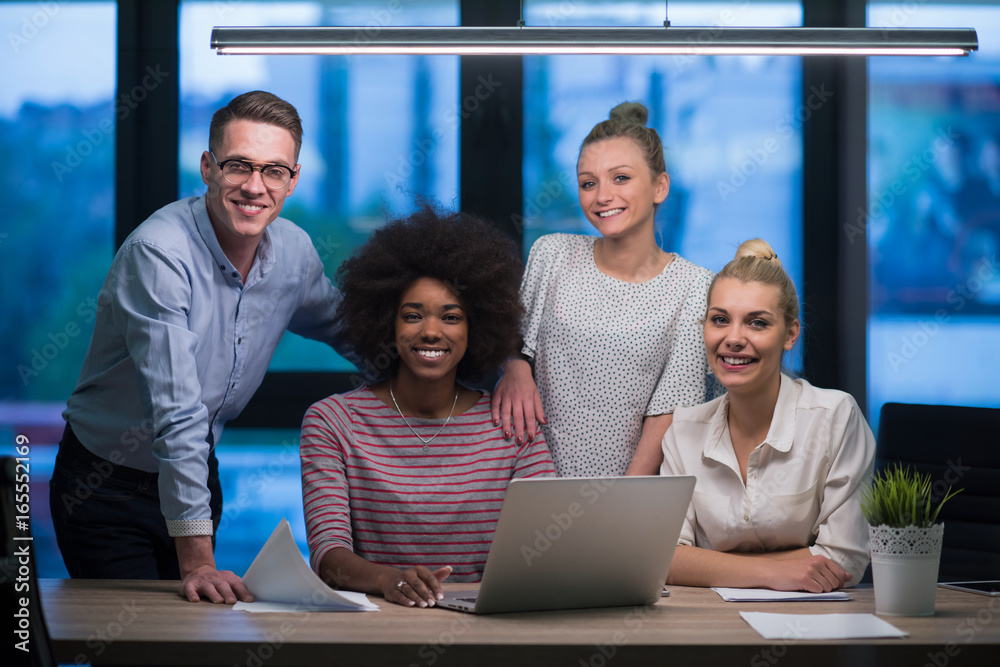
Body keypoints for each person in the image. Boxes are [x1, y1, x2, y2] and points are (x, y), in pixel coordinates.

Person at [50, 91, 353, 604]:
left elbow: (353, 330)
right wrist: (198, 561)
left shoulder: (295, 253)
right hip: (104, 486)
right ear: (208, 167)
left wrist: (488, 371)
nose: (255, 187)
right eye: (239, 166)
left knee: (194, 634)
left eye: (274, 171)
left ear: (294, 179)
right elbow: (178, 411)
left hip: (196, 471)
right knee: (138, 645)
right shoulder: (159, 253)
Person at [300, 207, 555, 608]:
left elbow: (546, 551)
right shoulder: (333, 423)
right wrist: (389, 580)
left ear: (477, 329)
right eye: (413, 315)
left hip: (486, 630)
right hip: (372, 631)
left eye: (451, 317)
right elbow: (328, 558)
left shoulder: (512, 424)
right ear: (387, 322)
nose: (432, 331)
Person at [491, 101, 715, 476]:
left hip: (633, 495)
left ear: (660, 186)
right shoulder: (552, 254)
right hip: (530, 480)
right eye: (588, 183)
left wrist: (618, 507)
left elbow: (671, 410)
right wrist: (512, 367)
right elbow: (513, 343)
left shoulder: (695, 285)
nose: (602, 196)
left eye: (621, 178)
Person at [661, 239, 875, 592]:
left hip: (812, 632)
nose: (733, 338)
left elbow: (844, 560)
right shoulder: (683, 430)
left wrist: (707, 564)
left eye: (757, 323)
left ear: (790, 334)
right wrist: (778, 572)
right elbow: (666, 558)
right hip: (708, 627)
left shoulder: (835, 417)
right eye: (719, 320)